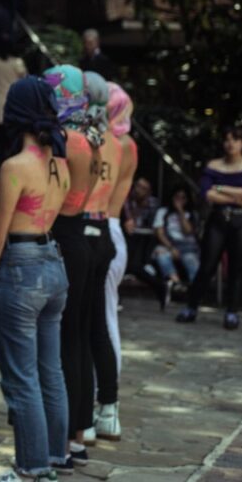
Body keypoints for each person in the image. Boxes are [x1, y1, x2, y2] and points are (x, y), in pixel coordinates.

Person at [0, 76, 71, 482]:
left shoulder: (15, 168)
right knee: (50, 370)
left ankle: (32, 468)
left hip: (20, 267)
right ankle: (55, 455)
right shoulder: (61, 164)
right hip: (53, 262)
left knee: (22, 376)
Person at [42, 64, 98, 463]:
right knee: (76, 339)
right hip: (80, 238)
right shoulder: (91, 138)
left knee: (61, 344)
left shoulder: (65, 140)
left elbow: (52, 196)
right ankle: (78, 433)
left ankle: (61, 441)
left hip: (62, 238)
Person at [176, 126, 242, 329]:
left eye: (235, 139)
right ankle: (192, 306)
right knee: (207, 265)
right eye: (227, 139)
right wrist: (234, 193)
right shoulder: (214, 165)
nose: (230, 143)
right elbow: (206, 193)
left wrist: (220, 188)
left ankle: (232, 311)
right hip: (218, 219)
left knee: (237, 267)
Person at [79, 71, 121, 442]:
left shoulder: (81, 138)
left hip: (83, 231)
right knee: (98, 328)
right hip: (105, 228)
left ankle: (82, 423)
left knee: (77, 330)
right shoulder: (117, 142)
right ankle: (108, 408)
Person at [103, 84, 137, 371]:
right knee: (105, 313)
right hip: (111, 231)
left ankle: (107, 390)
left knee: (104, 316)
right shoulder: (126, 144)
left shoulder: (115, 145)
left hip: (104, 229)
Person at [151, 187, 201, 291]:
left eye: (183, 198)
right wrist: (171, 247)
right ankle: (175, 283)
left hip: (188, 247)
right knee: (161, 254)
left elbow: (188, 231)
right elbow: (159, 233)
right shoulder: (163, 212)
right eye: (177, 197)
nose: (180, 200)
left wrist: (180, 211)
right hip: (169, 244)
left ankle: (195, 290)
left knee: (191, 261)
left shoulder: (191, 214)